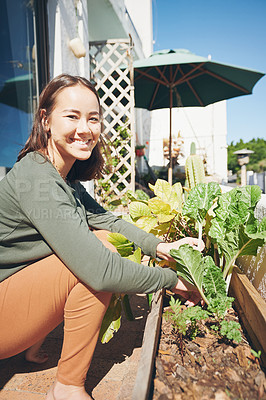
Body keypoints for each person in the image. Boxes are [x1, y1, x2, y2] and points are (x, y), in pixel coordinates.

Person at [0, 74, 204, 400]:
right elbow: (100, 271)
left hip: (12, 300)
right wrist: (170, 280)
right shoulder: (37, 179)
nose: (86, 128)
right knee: (94, 261)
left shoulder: (61, 178)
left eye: (93, 118)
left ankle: (33, 342)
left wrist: (161, 246)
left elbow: (108, 220)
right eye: (72, 116)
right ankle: (66, 388)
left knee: (102, 240)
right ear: (46, 120)